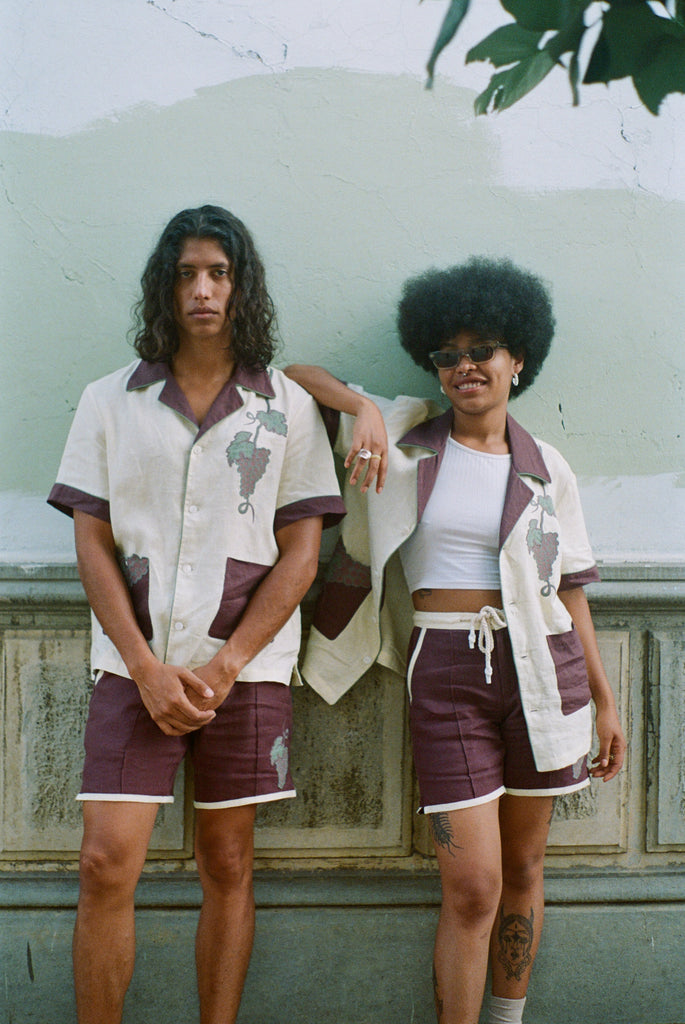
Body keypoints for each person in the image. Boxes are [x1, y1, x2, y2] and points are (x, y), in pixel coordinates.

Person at [285, 256, 626, 1024]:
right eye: (447, 353)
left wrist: (604, 702)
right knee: (471, 884)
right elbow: (295, 373)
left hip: (543, 668)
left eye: (482, 350)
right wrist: (361, 410)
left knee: (525, 867)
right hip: (442, 669)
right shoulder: (405, 438)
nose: (464, 366)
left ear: (518, 360)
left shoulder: (547, 471)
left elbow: (570, 586)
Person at [48, 204, 345, 1024]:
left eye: (219, 273)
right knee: (107, 864)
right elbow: (94, 545)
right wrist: (145, 667)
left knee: (228, 861)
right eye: (187, 274)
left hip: (243, 672)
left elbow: (300, 556)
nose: (203, 290)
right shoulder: (111, 400)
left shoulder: (283, 408)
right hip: (130, 668)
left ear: (243, 288)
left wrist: (221, 667)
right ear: (165, 289)